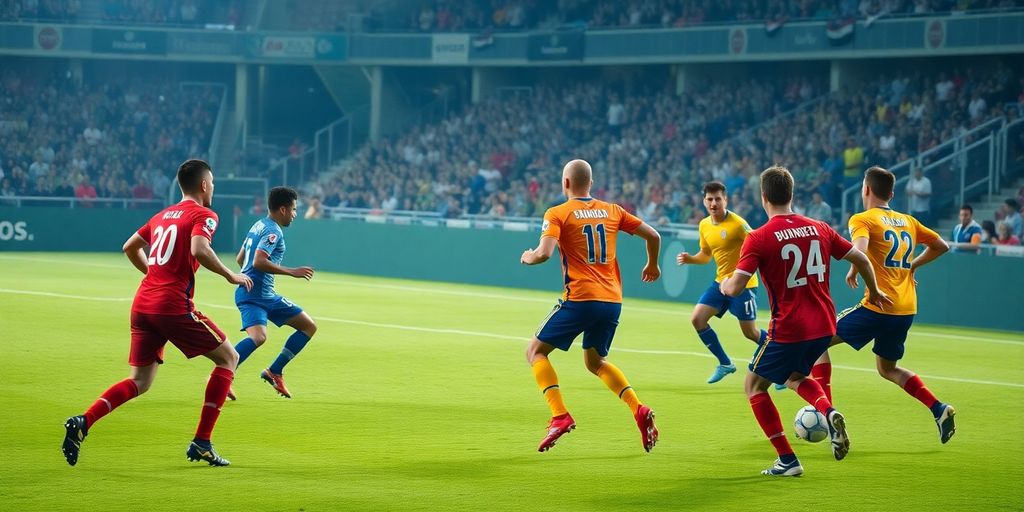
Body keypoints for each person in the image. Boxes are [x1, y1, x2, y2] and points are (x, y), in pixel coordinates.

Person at [61, 159, 253, 467]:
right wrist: (230, 274)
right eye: (213, 183)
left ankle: (83, 422)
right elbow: (199, 250)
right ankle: (202, 442)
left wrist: (153, 271)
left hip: (143, 304)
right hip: (171, 305)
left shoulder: (162, 215)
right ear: (204, 185)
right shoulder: (205, 214)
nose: (213, 188)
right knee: (229, 358)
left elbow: (129, 247)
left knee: (140, 380)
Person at [720, 165, 891, 477]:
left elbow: (733, 287)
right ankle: (828, 411)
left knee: (754, 385)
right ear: (792, 194)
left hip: (789, 327)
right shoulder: (820, 227)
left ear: (763, 197)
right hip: (825, 325)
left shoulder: (758, 237)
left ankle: (787, 460)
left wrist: (723, 283)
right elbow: (862, 258)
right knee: (795, 376)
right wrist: (875, 291)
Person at [520, 159, 662, 453]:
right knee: (595, 362)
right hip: (612, 301)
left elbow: (545, 254)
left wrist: (528, 256)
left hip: (581, 298)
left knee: (535, 351)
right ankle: (638, 408)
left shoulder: (557, 213)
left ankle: (559, 415)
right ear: (591, 184)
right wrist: (652, 264)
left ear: (566, 183)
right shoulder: (613, 210)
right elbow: (654, 235)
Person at [811, 166, 955, 446]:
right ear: (891, 193)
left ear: (865, 189)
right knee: (888, 369)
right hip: (906, 309)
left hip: (878, 306)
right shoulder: (908, 221)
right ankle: (939, 408)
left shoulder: (862, 218)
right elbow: (942, 246)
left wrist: (855, 267)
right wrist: (912, 266)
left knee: (817, 341)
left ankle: (828, 415)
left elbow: (860, 247)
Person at [676, 181, 768, 384]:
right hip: (720, 283)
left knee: (751, 333)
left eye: (718, 199)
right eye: (710, 199)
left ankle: (781, 364)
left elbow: (758, 242)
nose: (714, 203)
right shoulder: (704, 224)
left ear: (726, 200)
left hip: (743, 285)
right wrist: (691, 258)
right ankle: (725, 363)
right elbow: (706, 255)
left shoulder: (737, 224)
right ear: (704, 201)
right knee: (697, 319)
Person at [232, 187, 317, 399]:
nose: (295, 214)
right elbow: (258, 261)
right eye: (294, 209)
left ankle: (275, 371)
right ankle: (222, 373)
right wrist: (292, 272)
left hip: (265, 295)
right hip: (253, 296)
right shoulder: (273, 231)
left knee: (308, 326)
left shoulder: (258, 224)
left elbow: (240, 258)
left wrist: (249, 275)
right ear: (282, 209)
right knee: (259, 337)